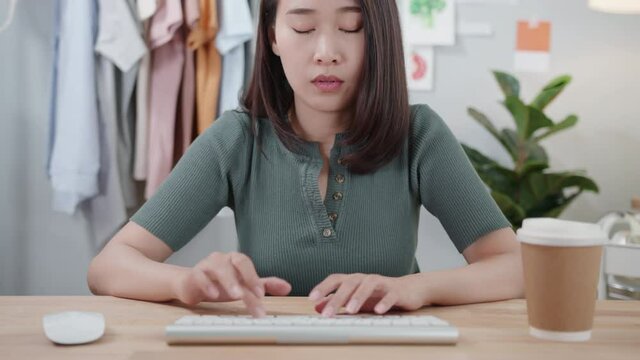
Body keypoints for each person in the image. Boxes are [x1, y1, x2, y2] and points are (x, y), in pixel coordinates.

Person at [87, 0, 524, 319]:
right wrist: (185, 284)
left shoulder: (419, 135)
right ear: (273, 37)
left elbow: (516, 268)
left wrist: (415, 288)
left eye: (352, 27)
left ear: (380, 38)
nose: (326, 51)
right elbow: (109, 267)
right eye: (302, 28)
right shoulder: (236, 140)